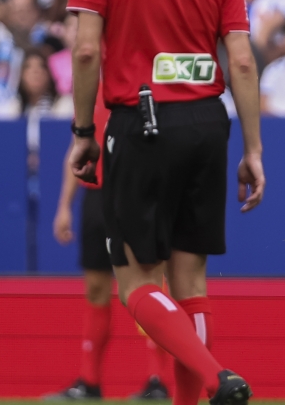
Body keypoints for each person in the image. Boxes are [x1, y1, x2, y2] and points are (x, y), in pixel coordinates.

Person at [66, 0, 263, 405]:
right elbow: (244, 61)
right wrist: (252, 150)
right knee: (191, 283)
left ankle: (214, 377)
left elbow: (84, 49)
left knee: (136, 284)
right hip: (208, 121)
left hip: (141, 122)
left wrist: (84, 131)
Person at [49, 84, 169, 401]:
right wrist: (64, 206)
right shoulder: (92, 89)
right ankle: (89, 381)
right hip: (96, 194)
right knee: (96, 287)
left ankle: (158, 379)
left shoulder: (147, 84)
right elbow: (76, 147)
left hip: (137, 192)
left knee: (149, 285)